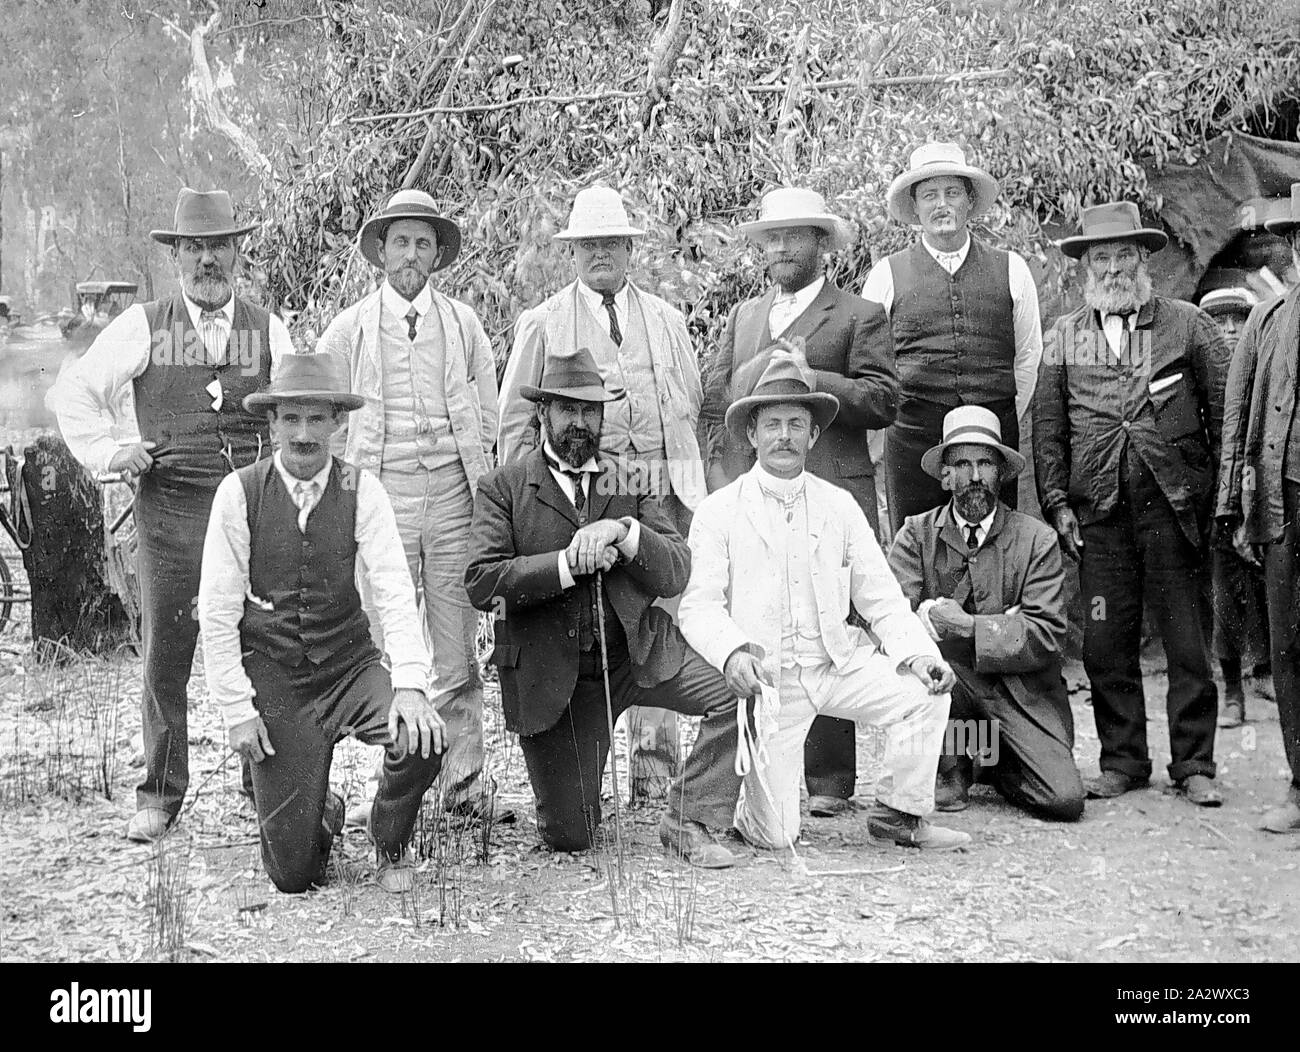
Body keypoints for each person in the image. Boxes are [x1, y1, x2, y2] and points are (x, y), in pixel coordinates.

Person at [49, 188, 292, 842]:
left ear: (238, 252)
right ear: (177, 256)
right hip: (170, 509)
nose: (207, 260)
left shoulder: (269, 328)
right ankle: (158, 793)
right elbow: (74, 392)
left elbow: (301, 410)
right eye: (194, 249)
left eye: (218, 247)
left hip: (249, 511)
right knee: (165, 655)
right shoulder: (141, 324)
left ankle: (263, 783)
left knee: (262, 648)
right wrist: (110, 451)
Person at [679, 354, 968, 851]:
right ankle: (759, 809)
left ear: (814, 436)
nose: (784, 437)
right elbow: (697, 607)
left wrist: (919, 655)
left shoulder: (839, 505)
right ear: (752, 435)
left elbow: (882, 599)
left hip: (838, 663)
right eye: (772, 425)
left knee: (927, 692)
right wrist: (732, 653)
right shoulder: (718, 512)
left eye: (796, 424)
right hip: (773, 684)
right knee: (776, 837)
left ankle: (900, 813)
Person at [466, 348, 742, 868]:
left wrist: (626, 532)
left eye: (590, 410)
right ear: (542, 412)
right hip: (557, 679)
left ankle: (687, 818)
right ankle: (573, 800)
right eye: (566, 409)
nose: (579, 423)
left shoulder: (631, 478)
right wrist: (567, 565)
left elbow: (678, 569)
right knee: (571, 835)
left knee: (735, 692)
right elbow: (482, 583)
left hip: (636, 656)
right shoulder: (503, 487)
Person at [198, 354, 444, 893]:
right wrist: (239, 710)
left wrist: (409, 684)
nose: (304, 434)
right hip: (279, 682)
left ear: (338, 422)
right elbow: (216, 613)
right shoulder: (238, 493)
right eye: (290, 419)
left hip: (348, 668)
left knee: (423, 736)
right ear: (272, 424)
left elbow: (396, 589)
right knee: (293, 876)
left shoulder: (363, 490)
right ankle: (322, 809)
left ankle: (388, 835)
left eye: (316, 419)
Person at [497, 185, 707, 802]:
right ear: (572, 253)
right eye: (588, 244)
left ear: (629, 248)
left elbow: (691, 402)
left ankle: (654, 762)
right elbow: (515, 422)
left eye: (611, 242)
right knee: (589, 623)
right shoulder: (544, 322)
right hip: (581, 500)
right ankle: (581, 757)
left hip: (657, 492)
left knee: (657, 617)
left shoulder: (666, 321)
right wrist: (528, 507)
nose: (601, 254)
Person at [699, 186, 898, 821]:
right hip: (761, 496)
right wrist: (765, 364)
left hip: (833, 492)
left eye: (795, 237)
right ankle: (764, 775)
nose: (782, 248)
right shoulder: (746, 317)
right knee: (767, 622)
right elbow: (717, 393)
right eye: (772, 238)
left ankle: (833, 779)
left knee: (826, 622)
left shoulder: (858, 314)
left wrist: (818, 381)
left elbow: (885, 398)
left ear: (821, 245)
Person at [316, 188, 505, 823]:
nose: (411, 255)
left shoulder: (464, 325)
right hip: (381, 500)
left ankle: (463, 782)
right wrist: (345, 499)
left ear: (436, 255)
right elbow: (326, 421)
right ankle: (396, 777)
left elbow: (488, 415)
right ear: (380, 250)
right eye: (401, 241)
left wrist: (482, 487)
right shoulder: (349, 330)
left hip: (453, 497)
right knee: (387, 636)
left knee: (455, 644)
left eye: (424, 243)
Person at [1033, 201, 1231, 807]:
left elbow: (1224, 416)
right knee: (1104, 642)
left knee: (1186, 644)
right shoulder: (1064, 338)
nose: (1114, 268)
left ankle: (1193, 762)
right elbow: (1048, 429)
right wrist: (1058, 502)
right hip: (1100, 517)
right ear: (1084, 268)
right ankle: (1122, 761)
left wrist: (1219, 502)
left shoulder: (1187, 324)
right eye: (1101, 258)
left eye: (1124, 255)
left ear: (1143, 260)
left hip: (1176, 512)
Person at [888, 406, 1085, 821]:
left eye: (985, 464)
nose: (975, 477)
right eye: (962, 464)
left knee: (1062, 800)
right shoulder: (915, 534)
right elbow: (892, 618)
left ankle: (997, 763)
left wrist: (964, 625)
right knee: (930, 670)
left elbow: (1047, 632)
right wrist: (930, 618)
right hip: (950, 686)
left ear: (1001, 474)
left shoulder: (1037, 540)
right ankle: (952, 766)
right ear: (945, 476)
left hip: (1021, 693)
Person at [862, 142, 1043, 531]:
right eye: (929, 195)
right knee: (917, 546)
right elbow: (871, 365)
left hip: (991, 437)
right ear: (915, 208)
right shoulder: (885, 275)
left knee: (994, 544)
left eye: (952, 192)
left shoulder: (1012, 269)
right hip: (913, 441)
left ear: (968, 201)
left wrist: (994, 411)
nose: (941, 205)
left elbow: (1028, 358)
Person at [1216, 181, 1300, 834]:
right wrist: (1236, 504)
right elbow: (1239, 416)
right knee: (1290, 641)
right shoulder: (1270, 320)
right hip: (1285, 501)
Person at [1198, 287, 1271, 728]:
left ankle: (1267, 670)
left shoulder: (1265, 366)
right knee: (1226, 588)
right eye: (1219, 323)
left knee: (1273, 582)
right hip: (1213, 497)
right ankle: (1231, 690)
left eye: (1237, 321)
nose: (1228, 331)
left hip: (1260, 488)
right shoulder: (1195, 366)